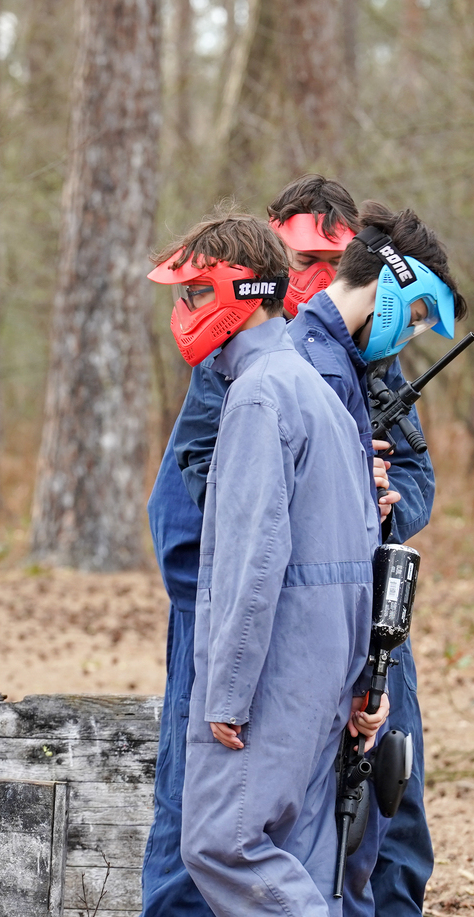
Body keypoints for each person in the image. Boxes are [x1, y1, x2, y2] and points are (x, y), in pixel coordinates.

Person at [140, 175, 373, 917]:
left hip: (272, 670)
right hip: (320, 668)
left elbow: (250, 560)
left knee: (222, 843)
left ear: (243, 292)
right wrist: (359, 676)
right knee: (300, 853)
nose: (182, 313)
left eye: (195, 294)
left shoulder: (258, 396)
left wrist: (227, 691)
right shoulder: (312, 385)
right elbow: (364, 547)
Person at [286, 199, 467, 917]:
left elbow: (416, 483)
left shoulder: (380, 367)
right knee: (333, 824)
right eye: (416, 313)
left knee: (396, 797)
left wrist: (384, 502)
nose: (413, 330)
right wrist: (343, 485)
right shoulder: (289, 361)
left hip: (379, 610)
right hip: (320, 622)